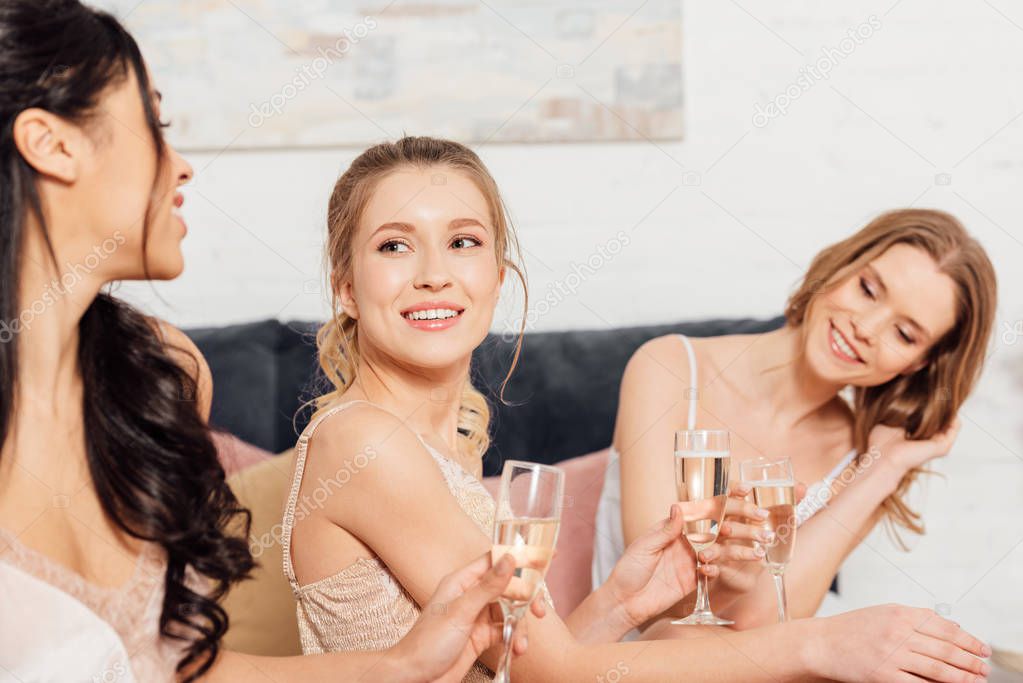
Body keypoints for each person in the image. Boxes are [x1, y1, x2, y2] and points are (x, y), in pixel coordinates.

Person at [285, 135, 992, 681]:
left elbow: (519, 668)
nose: (434, 271)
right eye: (394, 245)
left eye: (462, 241)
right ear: (344, 286)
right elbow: (555, 669)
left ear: (497, 276)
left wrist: (621, 603)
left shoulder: (443, 441)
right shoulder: (365, 444)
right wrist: (820, 642)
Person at [0, 2, 542, 681]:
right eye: (154, 125)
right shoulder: (355, 440)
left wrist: (398, 665)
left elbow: (180, 669)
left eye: (463, 241)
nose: (183, 167)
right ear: (51, 144)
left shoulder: (157, 378)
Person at [595, 208, 996, 630]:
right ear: (842, 264)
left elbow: (762, 630)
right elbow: (652, 605)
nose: (867, 328)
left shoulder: (865, 462)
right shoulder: (669, 368)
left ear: (918, 364)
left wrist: (884, 469)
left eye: (904, 334)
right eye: (867, 289)